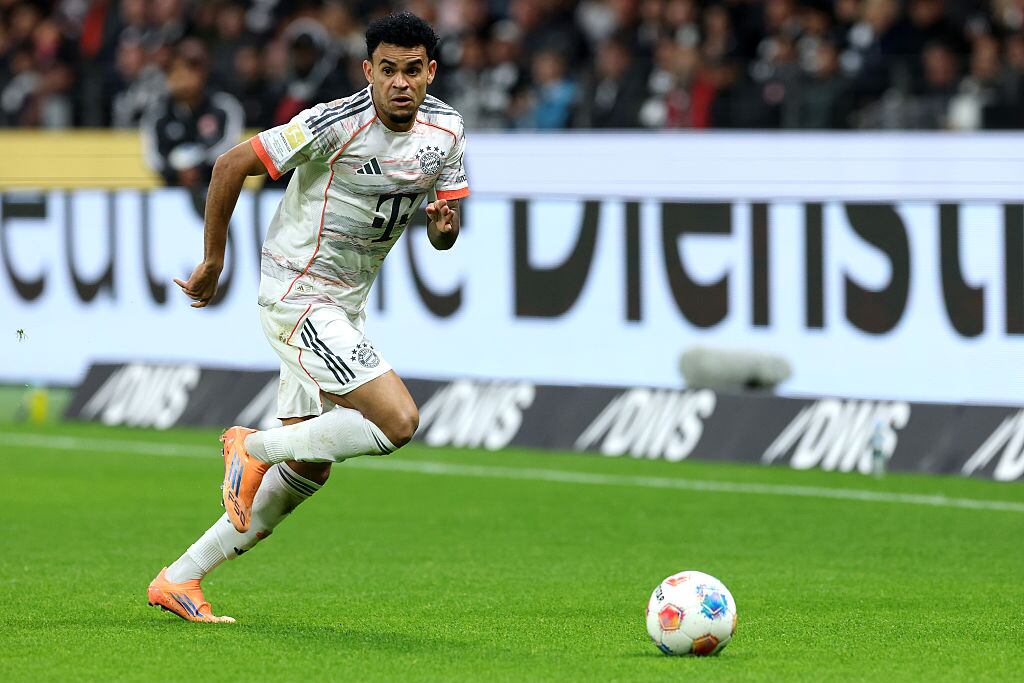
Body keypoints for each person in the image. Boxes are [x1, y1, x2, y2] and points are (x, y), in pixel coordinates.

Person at [146, 11, 469, 623]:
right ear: (367, 70)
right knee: (398, 421)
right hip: (297, 294)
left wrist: (443, 229)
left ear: (431, 72)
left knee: (310, 468)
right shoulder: (333, 124)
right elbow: (228, 165)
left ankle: (180, 578)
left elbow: (445, 233)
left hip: (345, 304)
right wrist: (214, 259)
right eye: (387, 70)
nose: (400, 83)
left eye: (412, 70)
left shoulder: (448, 132)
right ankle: (252, 446)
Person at [140, 39, 244, 191]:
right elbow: (153, 156)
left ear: (202, 73)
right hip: (171, 192)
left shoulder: (224, 106)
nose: (181, 76)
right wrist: (177, 169)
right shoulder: (157, 113)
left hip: (220, 188)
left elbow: (230, 144)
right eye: (174, 70)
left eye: (190, 69)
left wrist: (199, 166)